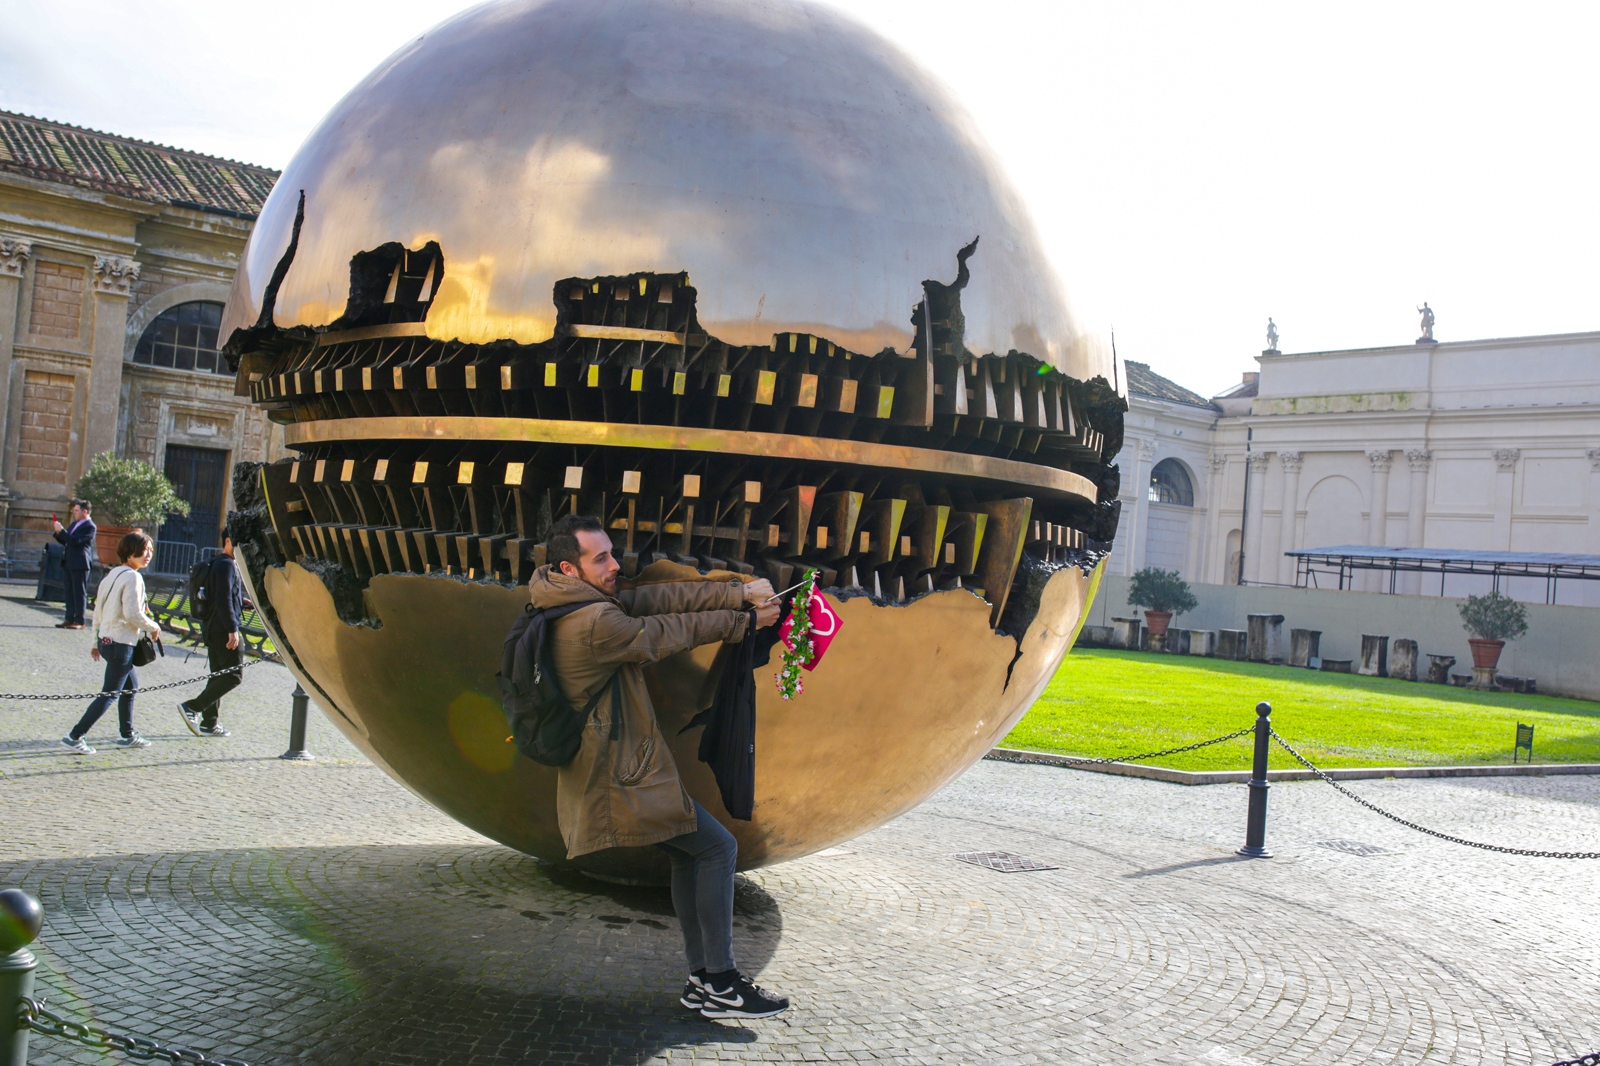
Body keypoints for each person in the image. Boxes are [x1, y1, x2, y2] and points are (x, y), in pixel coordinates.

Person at [528, 513, 790, 1019]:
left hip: (619, 768)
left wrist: (737, 592)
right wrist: (743, 622)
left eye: (611, 551)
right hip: (620, 776)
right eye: (600, 557)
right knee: (716, 848)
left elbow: (660, 600)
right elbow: (665, 632)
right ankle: (720, 980)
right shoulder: (594, 623)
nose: (614, 564)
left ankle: (703, 980)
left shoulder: (570, 598)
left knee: (689, 855)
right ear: (569, 566)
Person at [61, 530, 161, 754]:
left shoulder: (112, 574)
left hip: (107, 640)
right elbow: (132, 614)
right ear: (130, 551)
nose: (148, 555)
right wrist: (154, 627)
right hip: (121, 643)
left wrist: (96, 641)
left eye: (151, 551)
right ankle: (75, 735)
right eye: (145, 550)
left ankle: (127, 734)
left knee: (130, 686)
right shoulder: (133, 577)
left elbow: (98, 610)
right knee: (110, 694)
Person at [178, 535, 247, 737]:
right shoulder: (226, 565)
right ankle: (193, 707)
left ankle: (210, 722)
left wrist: (242, 603)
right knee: (233, 676)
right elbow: (223, 598)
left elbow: (223, 595)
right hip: (222, 629)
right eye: (238, 544)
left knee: (218, 674)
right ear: (227, 541)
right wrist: (232, 628)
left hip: (212, 627)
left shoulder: (218, 563)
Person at [51, 499, 97, 629]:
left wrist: (63, 532)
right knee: (69, 592)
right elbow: (66, 541)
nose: (74, 513)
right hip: (69, 561)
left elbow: (76, 541)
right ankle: (69, 618)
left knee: (79, 592)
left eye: (76, 511)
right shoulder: (74, 524)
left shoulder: (90, 526)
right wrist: (58, 532)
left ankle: (80, 621)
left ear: (85, 511)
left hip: (80, 563)